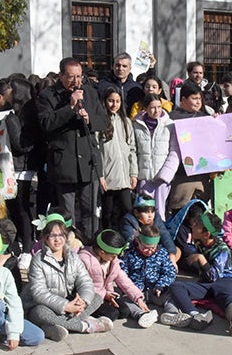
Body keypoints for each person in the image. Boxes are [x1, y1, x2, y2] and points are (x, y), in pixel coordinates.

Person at [36, 57, 108, 238]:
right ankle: (69, 246)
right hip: (64, 163)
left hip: (88, 162)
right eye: (71, 77)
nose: (76, 82)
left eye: (79, 77)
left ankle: (90, 246)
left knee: (90, 210)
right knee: (67, 213)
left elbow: (104, 120)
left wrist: (89, 120)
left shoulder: (90, 93)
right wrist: (70, 107)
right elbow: (46, 123)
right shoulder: (48, 96)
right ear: (61, 76)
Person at [23, 215, 109, 341]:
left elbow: (85, 281)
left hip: (68, 302)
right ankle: (84, 326)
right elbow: (39, 293)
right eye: (53, 236)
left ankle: (54, 328)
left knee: (96, 298)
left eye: (61, 235)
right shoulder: (38, 260)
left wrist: (83, 301)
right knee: (41, 312)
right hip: (42, 305)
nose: (57, 240)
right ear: (45, 238)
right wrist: (65, 306)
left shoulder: (73, 256)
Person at [165, 211, 232, 336]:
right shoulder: (198, 241)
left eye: (197, 225)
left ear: (206, 234)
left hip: (225, 280)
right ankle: (195, 315)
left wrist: (201, 259)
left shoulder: (222, 250)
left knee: (228, 296)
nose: (193, 226)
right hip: (206, 283)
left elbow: (214, 276)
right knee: (176, 286)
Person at [0, 78, 36, 268]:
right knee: (14, 210)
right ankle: (20, 245)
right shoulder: (8, 114)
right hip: (10, 167)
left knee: (22, 210)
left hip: (19, 169)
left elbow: (19, 144)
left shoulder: (13, 116)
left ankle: (27, 248)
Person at [79, 229, 157, 328]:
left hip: (107, 295)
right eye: (113, 256)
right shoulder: (85, 259)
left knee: (124, 311)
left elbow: (124, 280)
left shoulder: (112, 261)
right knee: (112, 314)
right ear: (102, 252)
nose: (115, 258)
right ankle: (87, 316)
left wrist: (138, 298)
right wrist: (105, 294)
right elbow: (82, 285)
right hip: (91, 297)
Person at [162, 82, 211, 214]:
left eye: (200, 99)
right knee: (179, 210)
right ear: (183, 99)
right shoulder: (171, 118)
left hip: (202, 174)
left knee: (201, 211)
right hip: (181, 175)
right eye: (194, 98)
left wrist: (216, 122)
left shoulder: (206, 118)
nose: (198, 102)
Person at [98, 87, 138, 230]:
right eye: (110, 101)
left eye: (117, 101)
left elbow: (132, 149)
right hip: (108, 176)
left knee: (127, 210)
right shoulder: (100, 122)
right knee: (108, 212)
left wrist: (133, 173)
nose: (114, 105)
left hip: (124, 176)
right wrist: (100, 175)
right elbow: (97, 151)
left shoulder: (126, 122)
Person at [121, 224, 180, 318]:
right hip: (137, 291)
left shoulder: (162, 253)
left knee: (172, 296)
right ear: (137, 241)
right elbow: (122, 274)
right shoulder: (129, 253)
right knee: (124, 300)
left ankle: (172, 314)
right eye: (145, 247)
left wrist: (161, 285)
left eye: (153, 248)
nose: (149, 251)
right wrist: (132, 289)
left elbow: (170, 271)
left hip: (156, 290)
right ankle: (141, 315)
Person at [133, 93, 176, 220]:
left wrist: (166, 174)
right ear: (145, 108)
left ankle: (160, 237)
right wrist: (135, 174)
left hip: (162, 177)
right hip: (144, 176)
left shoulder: (170, 124)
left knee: (160, 212)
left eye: (159, 106)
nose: (156, 110)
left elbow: (174, 151)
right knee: (144, 212)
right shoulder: (136, 125)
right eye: (152, 107)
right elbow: (133, 151)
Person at [120, 196, 178, 267]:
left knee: (176, 251)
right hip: (139, 251)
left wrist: (172, 254)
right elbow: (131, 241)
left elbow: (165, 235)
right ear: (136, 212)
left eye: (152, 212)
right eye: (146, 212)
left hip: (153, 249)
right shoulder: (129, 220)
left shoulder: (156, 218)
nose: (150, 215)